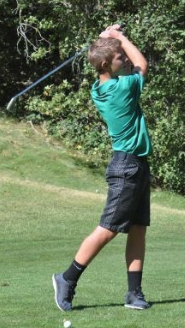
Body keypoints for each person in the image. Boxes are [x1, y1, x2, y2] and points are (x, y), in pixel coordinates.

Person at [52, 24, 152, 311]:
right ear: (108, 63)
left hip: (136, 164)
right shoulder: (123, 89)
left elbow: (126, 62)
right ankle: (67, 278)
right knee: (108, 229)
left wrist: (105, 39)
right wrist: (119, 37)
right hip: (127, 166)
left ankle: (134, 293)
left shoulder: (100, 88)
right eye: (120, 56)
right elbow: (142, 64)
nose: (126, 60)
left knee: (137, 229)